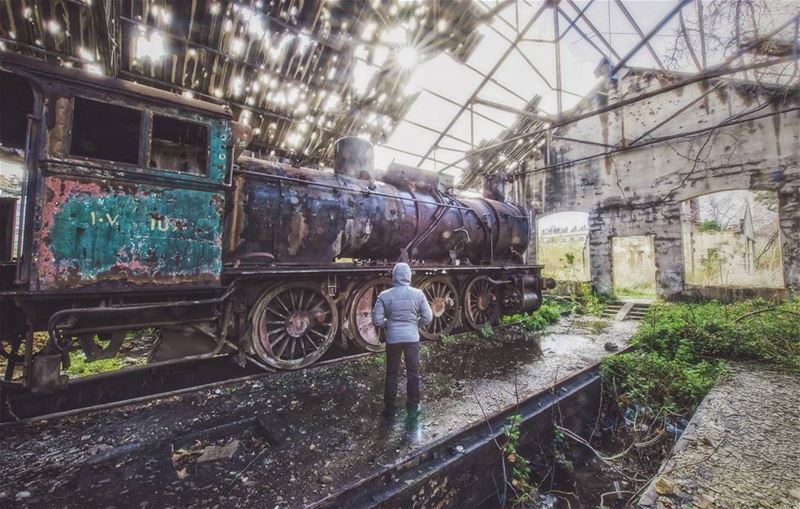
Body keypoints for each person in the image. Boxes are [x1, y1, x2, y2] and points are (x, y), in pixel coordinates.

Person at [372, 262, 433, 420]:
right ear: (408, 276)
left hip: (393, 340)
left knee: (391, 373)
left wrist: (389, 324)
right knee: (413, 374)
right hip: (412, 339)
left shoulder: (384, 295)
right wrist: (415, 324)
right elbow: (428, 317)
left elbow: (377, 320)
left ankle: (390, 409)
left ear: (394, 276)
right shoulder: (418, 294)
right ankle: (413, 406)